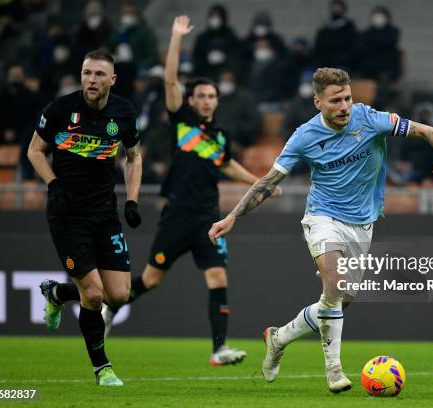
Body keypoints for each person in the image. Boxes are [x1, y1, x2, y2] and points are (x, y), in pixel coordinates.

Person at [208, 68, 433, 393]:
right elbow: (267, 182)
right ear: (317, 102)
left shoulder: (370, 119)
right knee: (335, 285)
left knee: (338, 302)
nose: (344, 106)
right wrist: (233, 217)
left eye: (348, 98)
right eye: (336, 100)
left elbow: (427, 130)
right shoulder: (304, 137)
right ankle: (334, 371)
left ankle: (279, 337)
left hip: (363, 225)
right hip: (322, 217)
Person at [45, 15, 277, 366]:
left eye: (212, 96)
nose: (207, 101)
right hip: (177, 215)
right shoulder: (181, 122)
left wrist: (259, 182)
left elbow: (227, 165)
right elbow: (170, 79)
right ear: (192, 99)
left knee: (217, 277)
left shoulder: (219, 137)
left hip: (208, 218)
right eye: (201, 95)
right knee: (149, 281)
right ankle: (85, 302)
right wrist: (176, 39)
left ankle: (219, 349)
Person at [27, 50, 143, 386]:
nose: (91, 80)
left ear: (112, 80)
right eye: (86, 73)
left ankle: (58, 294)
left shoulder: (123, 112)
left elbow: (134, 157)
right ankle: (102, 368)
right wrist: (52, 183)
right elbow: (34, 150)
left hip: (105, 214)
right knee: (92, 295)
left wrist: (132, 200)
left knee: (119, 295)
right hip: (68, 215)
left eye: (98, 75)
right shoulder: (61, 109)